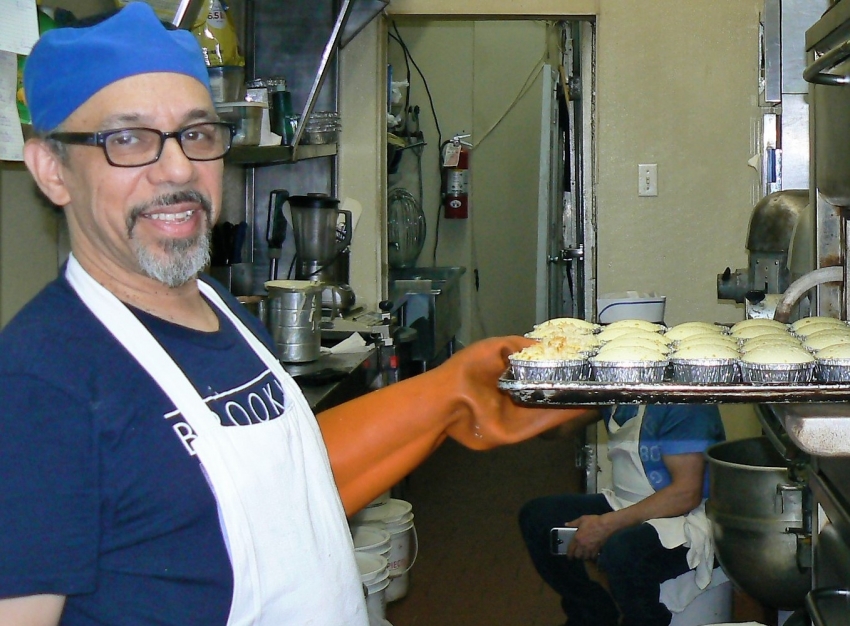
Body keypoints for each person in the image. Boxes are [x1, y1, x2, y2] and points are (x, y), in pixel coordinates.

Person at [0, 4, 584, 624]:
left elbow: (280, 499)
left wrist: (452, 394)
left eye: (197, 134)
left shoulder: (219, 310)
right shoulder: (40, 383)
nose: (178, 169)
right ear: (52, 170)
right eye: (128, 139)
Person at [519, 403, 726, 626]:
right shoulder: (619, 393)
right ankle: (591, 614)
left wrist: (606, 525)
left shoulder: (684, 405)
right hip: (628, 503)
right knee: (539, 519)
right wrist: (523, 406)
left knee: (621, 551)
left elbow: (686, 494)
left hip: (686, 516)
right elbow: (558, 428)